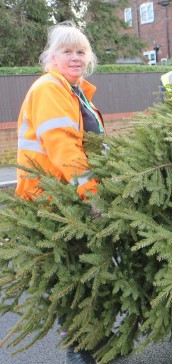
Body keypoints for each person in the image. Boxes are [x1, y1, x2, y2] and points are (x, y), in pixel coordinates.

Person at [15, 21, 104, 364]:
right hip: (50, 201)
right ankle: (77, 350)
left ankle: (93, 336)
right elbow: (64, 149)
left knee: (83, 271)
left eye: (81, 51)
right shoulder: (50, 89)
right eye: (67, 51)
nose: (76, 57)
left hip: (63, 196)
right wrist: (91, 193)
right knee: (70, 278)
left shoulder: (74, 91)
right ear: (51, 57)